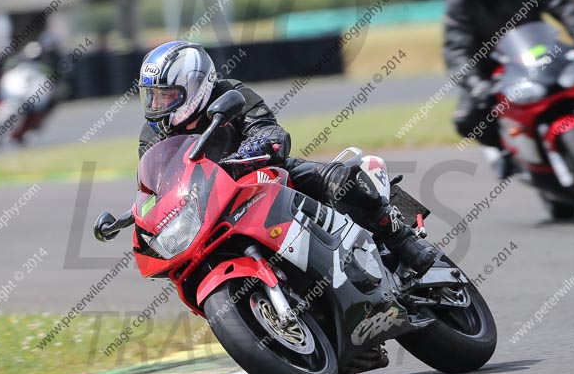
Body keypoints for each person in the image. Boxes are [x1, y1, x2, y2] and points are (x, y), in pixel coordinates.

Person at [137, 40, 438, 277]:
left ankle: (402, 241)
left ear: (195, 84)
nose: (158, 104)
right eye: (152, 96)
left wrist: (252, 150)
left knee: (337, 180)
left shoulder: (230, 93)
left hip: (265, 175)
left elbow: (270, 132)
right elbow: (155, 187)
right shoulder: (152, 136)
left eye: (167, 95)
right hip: (211, 205)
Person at [444, 0, 574, 177]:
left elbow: (562, 3)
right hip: (489, 64)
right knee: (468, 118)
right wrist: (475, 84)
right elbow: (456, 48)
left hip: (537, 46)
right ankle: (505, 151)